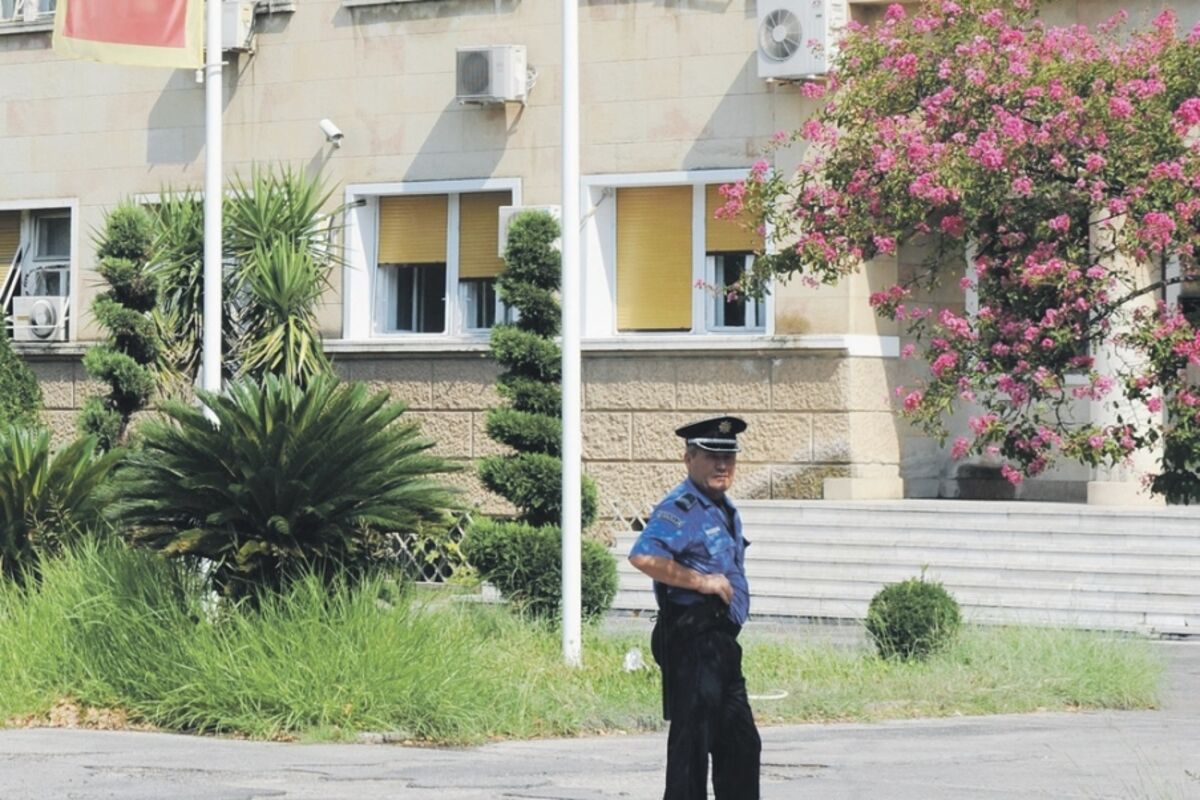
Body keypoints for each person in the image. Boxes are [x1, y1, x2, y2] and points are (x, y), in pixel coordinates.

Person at [628, 415, 760, 800]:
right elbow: (644, 556)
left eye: (728, 457)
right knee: (692, 745)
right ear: (689, 459)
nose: (722, 465)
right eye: (711, 456)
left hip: (720, 643)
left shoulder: (721, 506)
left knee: (741, 743)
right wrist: (701, 582)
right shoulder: (682, 507)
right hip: (693, 637)